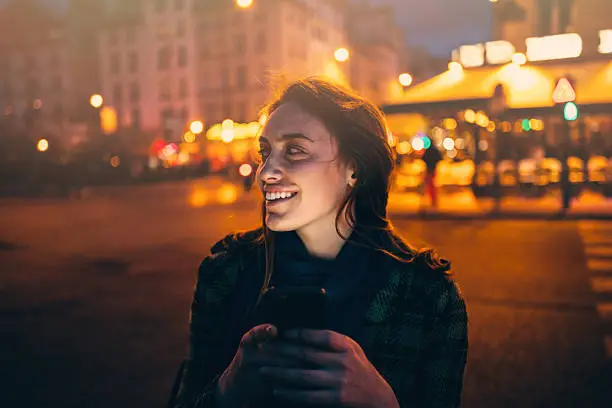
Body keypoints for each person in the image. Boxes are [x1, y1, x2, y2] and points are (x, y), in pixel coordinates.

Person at [173, 78, 468, 408]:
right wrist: (226, 390)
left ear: (354, 169)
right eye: (265, 152)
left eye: (295, 150)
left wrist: (382, 403)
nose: (266, 172)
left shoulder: (429, 295)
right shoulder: (225, 271)